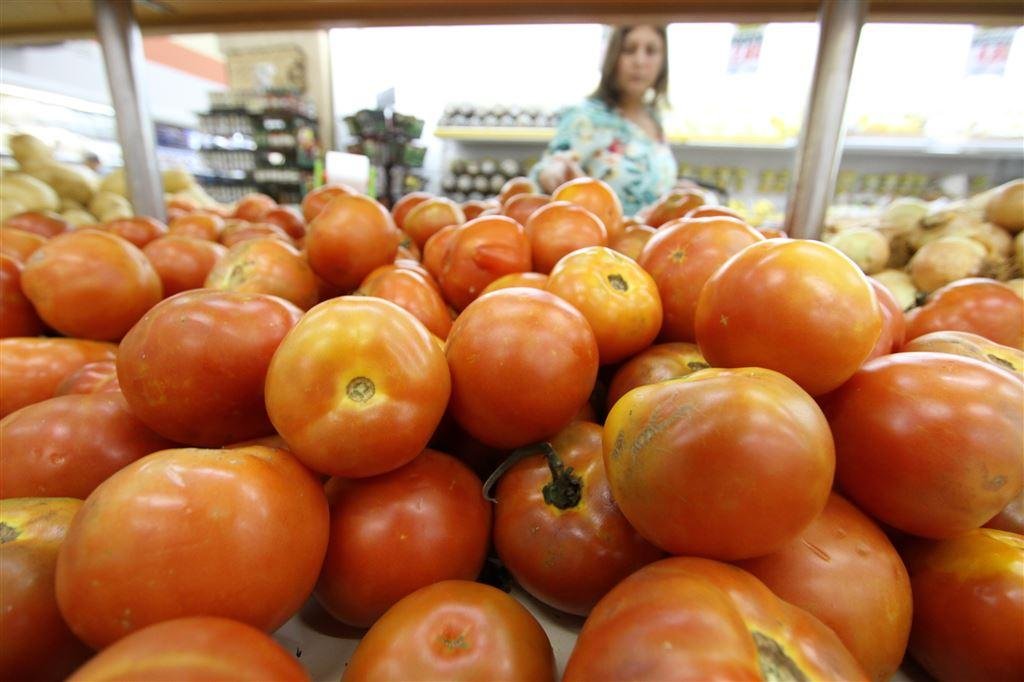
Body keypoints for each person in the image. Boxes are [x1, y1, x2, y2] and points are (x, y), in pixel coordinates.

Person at [530, 25, 678, 217]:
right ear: (613, 56)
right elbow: (549, 167)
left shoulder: (654, 119)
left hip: (653, 241)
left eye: (651, 51)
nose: (640, 61)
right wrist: (552, 171)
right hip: (600, 243)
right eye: (629, 50)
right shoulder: (586, 117)